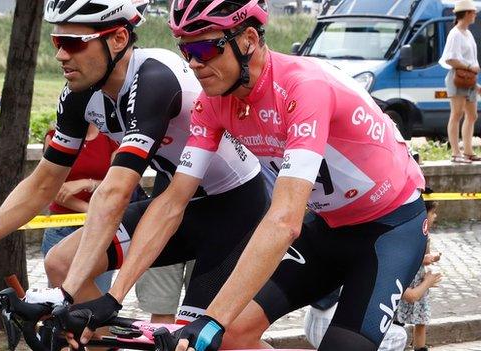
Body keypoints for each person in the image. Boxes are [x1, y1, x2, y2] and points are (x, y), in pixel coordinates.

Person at [66, 1, 426, 351]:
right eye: (185, 50)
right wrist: (115, 297)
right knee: (232, 336)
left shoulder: (303, 88)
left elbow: (284, 220)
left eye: (205, 48)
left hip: (390, 229)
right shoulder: (213, 104)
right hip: (329, 227)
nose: (193, 64)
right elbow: (173, 202)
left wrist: (212, 320)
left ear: (249, 40)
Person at [0, 0, 268, 336]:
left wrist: (65, 295)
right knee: (61, 261)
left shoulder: (154, 78)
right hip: (178, 202)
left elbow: (114, 192)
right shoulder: (79, 93)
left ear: (117, 39)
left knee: (205, 341)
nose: (61, 55)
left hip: (236, 209)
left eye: (73, 43)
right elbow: (44, 181)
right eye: (57, 42)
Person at [41, 123, 119, 293]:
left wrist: (87, 183)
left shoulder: (111, 138)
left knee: (98, 295)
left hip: (99, 228)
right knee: (59, 299)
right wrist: (91, 209)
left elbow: (118, 184)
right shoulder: (56, 137)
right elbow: (51, 188)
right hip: (61, 227)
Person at [394, 193, 442, 351]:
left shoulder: (426, 235)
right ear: (423, 214)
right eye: (433, 212)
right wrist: (424, 260)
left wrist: (430, 258)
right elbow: (405, 256)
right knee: (397, 317)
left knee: (420, 321)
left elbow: (423, 255)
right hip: (408, 279)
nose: (435, 216)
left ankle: (420, 347)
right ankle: (394, 343)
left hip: (419, 280)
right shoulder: (407, 234)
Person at [439, 0, 481, 163]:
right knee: (456, 114)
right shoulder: (455, 34)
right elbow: (450, 59)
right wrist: (470, 66)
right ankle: (456, 153)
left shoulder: (468, 33)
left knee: (472, 115)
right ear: (467, 14)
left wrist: (475, 83)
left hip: (468, 79)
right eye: (473, 12)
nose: (475, 15)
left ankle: (468, 151)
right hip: (457, 78)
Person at [304, 288, 408, 351]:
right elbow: (412, 296)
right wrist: (425, 280)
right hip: (331, 330)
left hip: (310, 325)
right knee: (400, 335)